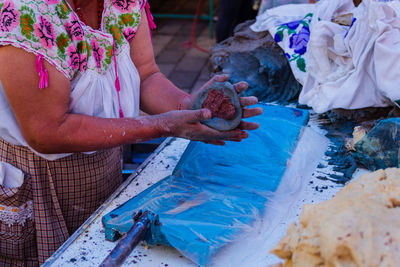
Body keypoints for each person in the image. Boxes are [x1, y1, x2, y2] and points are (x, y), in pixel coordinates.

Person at [0, 0, 262, 265]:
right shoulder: (25, 12)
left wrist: (191, 108)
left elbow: (145, 74)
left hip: (105, 170)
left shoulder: (121, 4)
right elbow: (47, 131)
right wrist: (162, 125)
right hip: (39, 185)